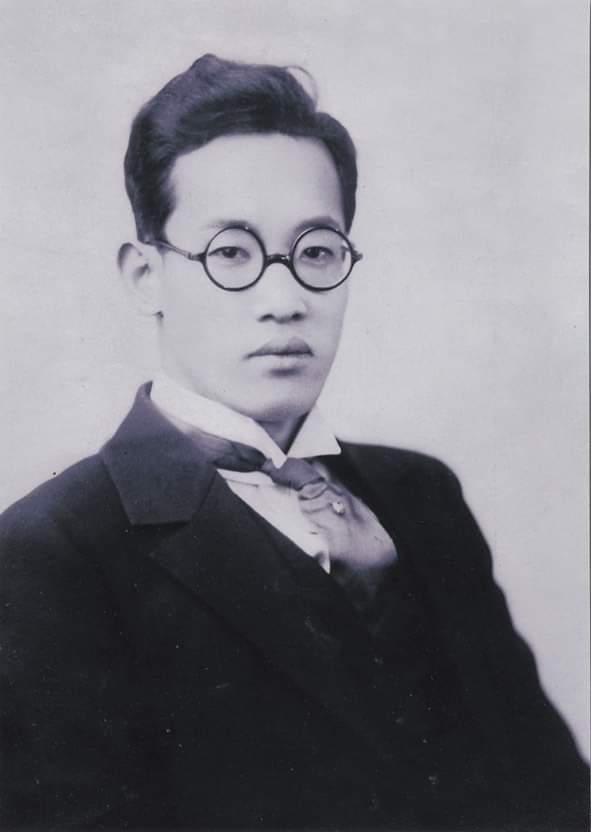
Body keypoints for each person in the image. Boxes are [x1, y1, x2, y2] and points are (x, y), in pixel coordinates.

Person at [0, 53, 588, 831]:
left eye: (315, 251)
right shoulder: (49, 552)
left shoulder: (420, 495)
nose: (283, 300)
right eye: (230, 253)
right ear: (145, 276)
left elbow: (553, 794)